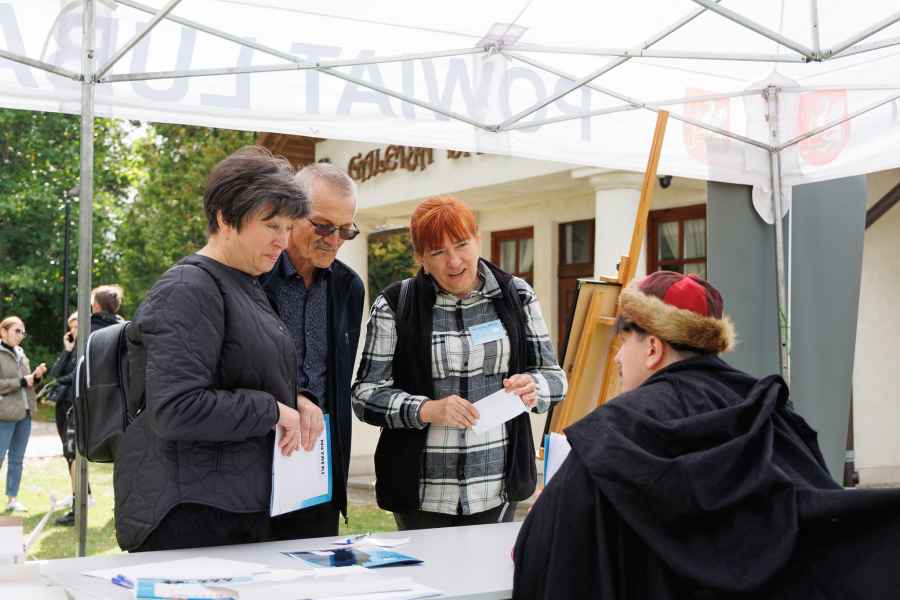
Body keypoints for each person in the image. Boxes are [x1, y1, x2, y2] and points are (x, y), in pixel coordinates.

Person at [512, 271, 900, 599]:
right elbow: (820, 525)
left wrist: (552, 507)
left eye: (623, 341)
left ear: (652, 348)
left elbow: (544, 555)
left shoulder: (612, 434)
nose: (616, 357)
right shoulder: (769, 416)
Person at [113, 146, 313, 551]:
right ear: (224, 218)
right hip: (190, 518)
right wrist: (274, 411)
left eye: (288, 227)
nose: (283, 240)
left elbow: (243, 374)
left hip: (230, 510)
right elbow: (176, 409)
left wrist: (297, 401)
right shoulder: (188, 288)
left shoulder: (243, 283)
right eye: (271, 225)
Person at [353, 196, 567, 530]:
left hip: (497, 488)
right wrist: (427, 410)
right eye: (438, 252)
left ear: (477, 239)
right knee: (426, 568)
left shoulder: (517, 295)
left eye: (462, 244)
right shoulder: (396, 305)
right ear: (421, 258)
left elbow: (555, 378)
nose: (454, 261)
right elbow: (365, 395)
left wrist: (534, 386)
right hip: (421, 494)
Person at [261, 162, 364, 537]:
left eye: (345, 231)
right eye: (322, 226)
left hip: (317, 468)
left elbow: (337, 382)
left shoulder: (349, 288)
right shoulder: (253, 277)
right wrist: (292, 397)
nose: (333, 240)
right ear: (290, 213)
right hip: (253, 464)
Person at [0, 316, 46, 512]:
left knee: (17, 459)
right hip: (4, 414)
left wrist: (36, 377)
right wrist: (20, 382)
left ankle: (12, 499)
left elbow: (27, 382)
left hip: (25, 414)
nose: (20, 336)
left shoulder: (20, 352)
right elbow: (15, 382)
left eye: (22, 332)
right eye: (16, 331)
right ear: (3, 332)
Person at [48, 312, 79, 525]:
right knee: (68, 453)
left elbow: (75, 375)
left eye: (77, 326)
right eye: (71, 327)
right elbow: (56, 372)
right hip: (62, 406)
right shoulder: (72, 349)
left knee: (72, 452)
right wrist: (67, 350)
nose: (73, 331)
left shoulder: (87, 347)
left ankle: (79, 499)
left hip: (73, 406)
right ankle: (80, 494)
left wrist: (61, 381)